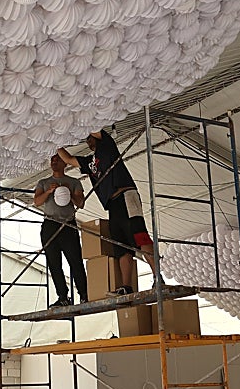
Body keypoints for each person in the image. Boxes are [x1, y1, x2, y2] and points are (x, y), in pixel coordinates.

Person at [58, 129, 157, 296]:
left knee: (139, 236)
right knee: (121, 245)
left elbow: (95, 129)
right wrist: (54, 143)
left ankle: (157, 276)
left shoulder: (107, 146)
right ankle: (126, 285)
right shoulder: (89, 162)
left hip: (126, 195)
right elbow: (67, 159)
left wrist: (83, 122)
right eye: (87, 140)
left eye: (90, 138)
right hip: (112, 204)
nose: (89, 142)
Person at [34, 154, 88, 307]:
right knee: (54, 263)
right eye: (52, 159)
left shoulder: (73, 182)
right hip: (50, 223)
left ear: (65, 163)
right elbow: (37, 201)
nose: (54, 161)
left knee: (75, 261)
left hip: (68, 225)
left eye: (58, 159)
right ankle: (63, 297)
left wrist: (68, 193)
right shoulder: (43, 183)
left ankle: (84, 295)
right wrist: (49, 192)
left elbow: (81, 203)